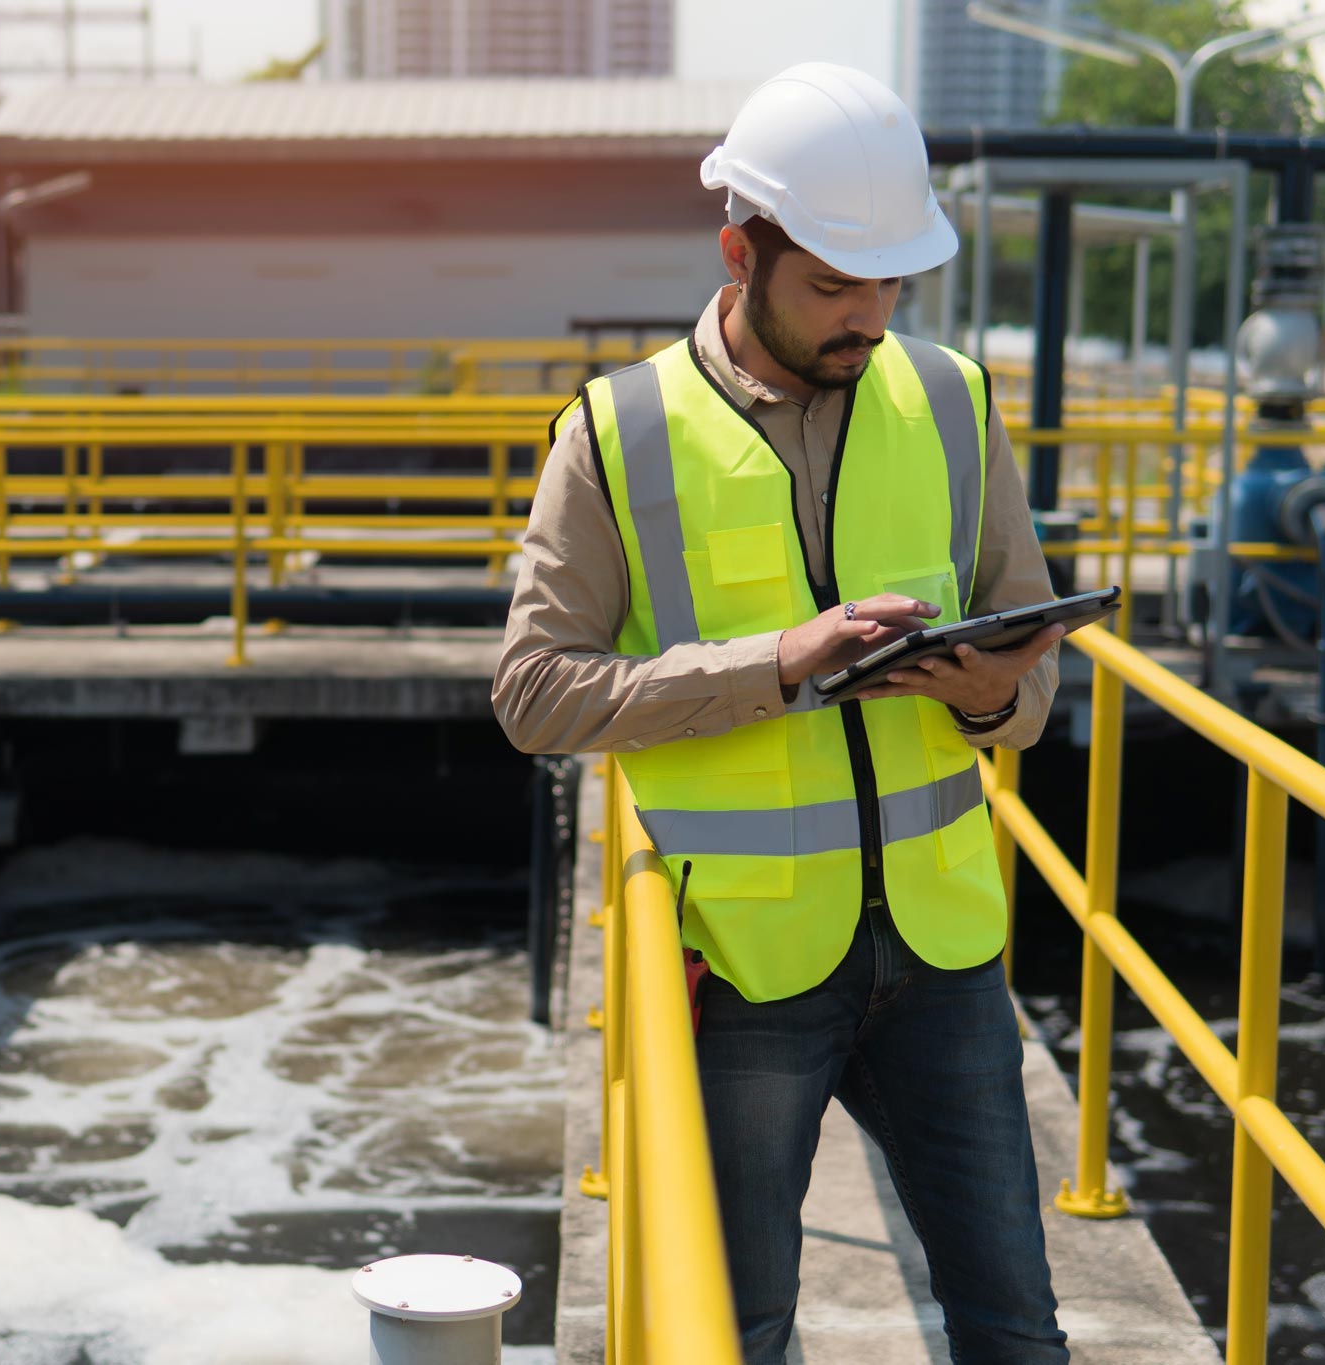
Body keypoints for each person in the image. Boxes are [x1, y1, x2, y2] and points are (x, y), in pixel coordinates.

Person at [493, 63, 1070, 1364]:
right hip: (751, 970)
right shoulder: (618, 434)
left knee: (1020, 1330)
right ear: (737, 252)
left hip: (944, 958)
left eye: (888, 286)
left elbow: (1032, 684)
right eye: (829, 286)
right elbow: (533, 694)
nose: (866, 318)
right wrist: (777, 662)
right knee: (734, 1334)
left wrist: (994, 692)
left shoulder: (956, 402)